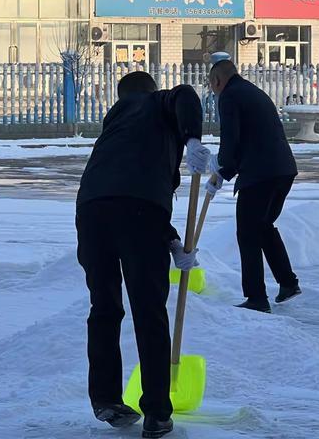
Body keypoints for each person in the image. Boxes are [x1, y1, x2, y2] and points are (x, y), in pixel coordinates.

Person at [76, 71, 210, 438]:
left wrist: (170, 240)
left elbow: (124, 182)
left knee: (104, 307)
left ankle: (105, 398)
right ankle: (156, 412)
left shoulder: (115, 122)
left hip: (91, 212)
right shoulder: (156, 102)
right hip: (139, 211)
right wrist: (193, 137)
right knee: (149, 310)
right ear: (151, 91)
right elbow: (185, 93)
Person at [207, 60, 300, 313]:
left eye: (211, 84)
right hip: (282, 170)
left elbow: (231, 141)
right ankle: (288, 283)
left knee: (247, 234)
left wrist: (220, 167)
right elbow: (251, 139)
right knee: (262, 227)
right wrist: (223, 173)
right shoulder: (252, 91)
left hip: (261, 174)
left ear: (217, 80)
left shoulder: (229, 96)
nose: (212, 91)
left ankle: (257, 298)